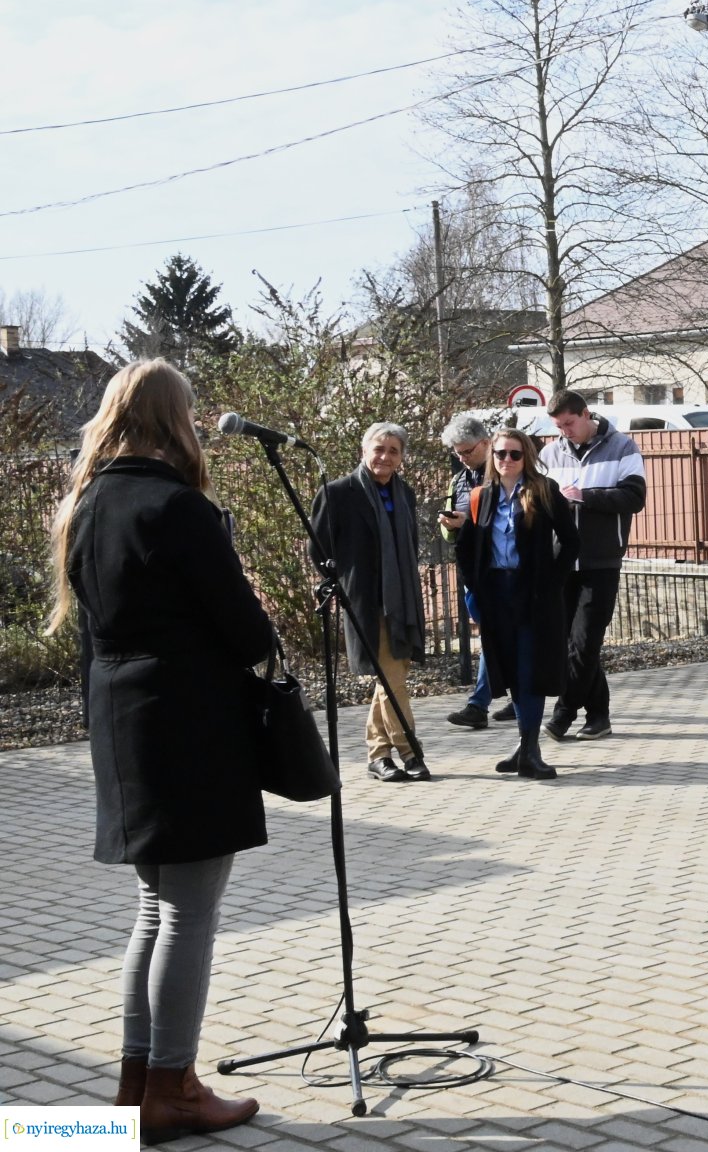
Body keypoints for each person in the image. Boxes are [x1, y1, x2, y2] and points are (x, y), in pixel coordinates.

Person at [50, 360, 269, 1139]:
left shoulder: (87, 503)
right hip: (188, 725)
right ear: (175, 420)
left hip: (124, 724)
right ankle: (173, 1088)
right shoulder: (179, 508)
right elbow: (248, 635)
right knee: (187, 913)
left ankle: (138, 1086)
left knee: (156, 908)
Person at [456, 427, 580, 780]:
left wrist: (551, 583)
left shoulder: (543, 490)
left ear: (526, 456)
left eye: (515, 454)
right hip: (496, 595)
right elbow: (466, 547)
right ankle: (526, 745)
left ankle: (530, 750)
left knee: (531, 673)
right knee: (510, 671)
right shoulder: (482, 495)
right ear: (491, 457)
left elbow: (570, 542)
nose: (507, 460)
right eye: (500, 454)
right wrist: (474, 586)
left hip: (533, 597)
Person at [312, 422, 430, 782]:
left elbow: (410, 543)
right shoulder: (338, 493)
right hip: (366, 601)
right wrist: (343, 581)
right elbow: (318, 547)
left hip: (403, 599)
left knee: (392, 677)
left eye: (394, 451)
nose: (385, 457)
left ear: (401, 458)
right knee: (391, 677)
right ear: (364, 451)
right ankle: (409, 751)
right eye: (379, 449)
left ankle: (378, 755)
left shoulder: (405, 493)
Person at [539, 390, 647, 741]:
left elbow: (634, 497)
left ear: (586, 414)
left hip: (601, 560)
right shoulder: (549, 453)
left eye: (569, 423)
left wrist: (585, 497)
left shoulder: (622, 447)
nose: (564, 432)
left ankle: (563, 714)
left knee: (584, 642)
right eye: (558, 426)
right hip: (561, 560)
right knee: (570, 643)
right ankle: (599, 716)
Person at [440, 412, 514, 730]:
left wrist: (468, 522)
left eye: (467, 451)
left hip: (501, 570)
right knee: (499, 636)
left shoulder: (504, 472)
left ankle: (478, 704)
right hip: (472, 572)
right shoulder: (458, 479)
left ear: (485, 443)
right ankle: (519, 696)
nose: (462, 458)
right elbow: (449, 534)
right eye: (457, 453)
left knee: (492, 635)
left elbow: (507, 521)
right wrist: (449, 524)